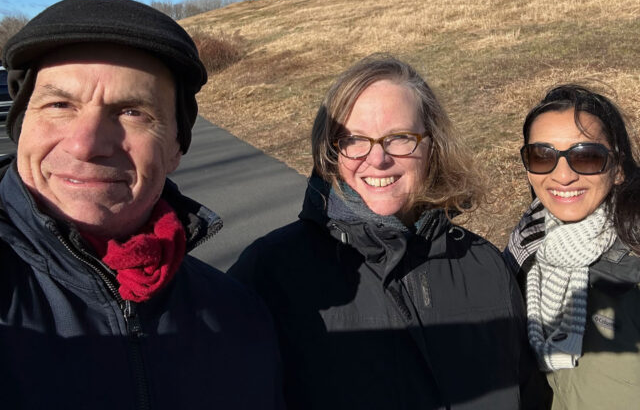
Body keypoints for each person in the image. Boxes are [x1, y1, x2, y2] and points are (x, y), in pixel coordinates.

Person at [0, 0, 283, 409]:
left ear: (175, 150)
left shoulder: (239, 314)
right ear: (22, 128)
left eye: (132, 112)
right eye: (60, 105)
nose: (87, 144)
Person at [229, 55, 543, 409]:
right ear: (330, 152)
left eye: (399, 138)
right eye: (353, 140)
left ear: (431, 146)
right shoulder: (271, 273)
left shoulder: (485, 266)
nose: (377, 159)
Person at [505, 84, 640, 409]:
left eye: (586, 157)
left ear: (618, 167)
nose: (562, 175)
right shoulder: (522, 249)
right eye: (542, 156)